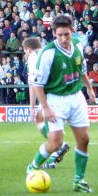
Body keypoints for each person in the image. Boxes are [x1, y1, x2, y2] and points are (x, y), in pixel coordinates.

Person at [26, 15, 96, 193]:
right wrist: (46, 107)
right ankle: (33, 167)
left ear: (72, 31)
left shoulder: (78, 47)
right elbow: (37, 84)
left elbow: (82, 71)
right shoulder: (48, 53)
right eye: (59, 35)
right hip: (56, 100)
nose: (64, 39)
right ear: (54, 34)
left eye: (66, 34)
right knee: (55, 143)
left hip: (76, 96)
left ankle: (78, 181)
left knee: (84, 139)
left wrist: (89, 89)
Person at [22, 37, 70, 169]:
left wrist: (31, 108)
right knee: (42, 120)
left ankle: (57, 148)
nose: (25, 54)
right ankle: (54, 155)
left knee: (38, 120)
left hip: (50, 95)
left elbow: (32, 84)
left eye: (24, 51)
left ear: (28, 49)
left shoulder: (32, 57)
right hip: (62, 91)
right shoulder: (48, 52)